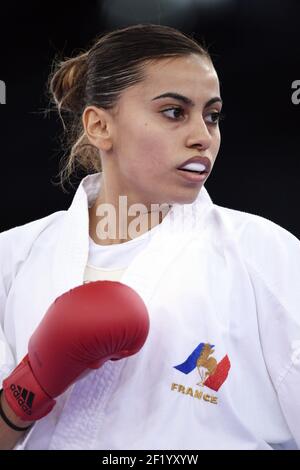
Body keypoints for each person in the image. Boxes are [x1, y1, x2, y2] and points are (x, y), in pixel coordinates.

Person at [0, 23, 300, 450]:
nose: (203, 137)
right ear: (100, 126)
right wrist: (27, 390)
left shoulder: (266, 255)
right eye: (174, 112)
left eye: (212, 116)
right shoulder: (12, 258)